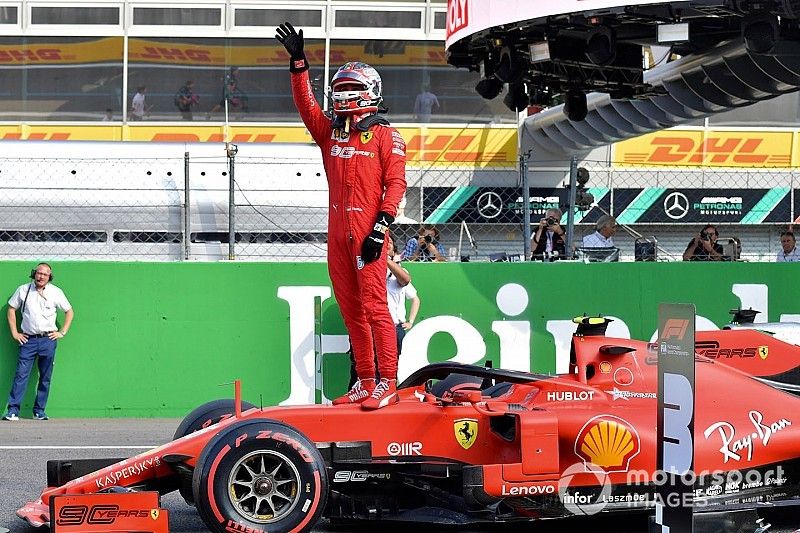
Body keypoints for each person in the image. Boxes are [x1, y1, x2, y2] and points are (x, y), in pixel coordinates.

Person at [276, 22, 407, 410]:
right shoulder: (330, 133)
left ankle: (388, 382)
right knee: (351, 308)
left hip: (369, 232)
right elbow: (306, 105)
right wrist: (299, 63)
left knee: (375, 307)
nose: (345, 96)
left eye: (353, 89)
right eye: (341, 90)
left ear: (371, 93)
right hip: (336, 235)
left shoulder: (387, 135)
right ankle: (365, 382)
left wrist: (381, 227)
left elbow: (396, 185)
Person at [3, 263, 74, 421]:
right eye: (39, 273)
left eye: (45, 274)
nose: (41, 276)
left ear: (50, 277)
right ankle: (13, 411)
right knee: (21, 375)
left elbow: (69, 311)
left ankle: (39, 411)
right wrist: (15, 333)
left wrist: (62, 332)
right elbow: (11, 309)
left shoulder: (56, 292)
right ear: (34, 274)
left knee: (45, 377)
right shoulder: (23, 290)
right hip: (28, 340)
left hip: (48, 340)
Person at [386, 234, 420, 355]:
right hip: (373, 326)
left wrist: (410, 321)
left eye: (389, 242)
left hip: (394, 327)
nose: (385, 244)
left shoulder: (399, 271)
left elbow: (415, 298)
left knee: (395, 364)